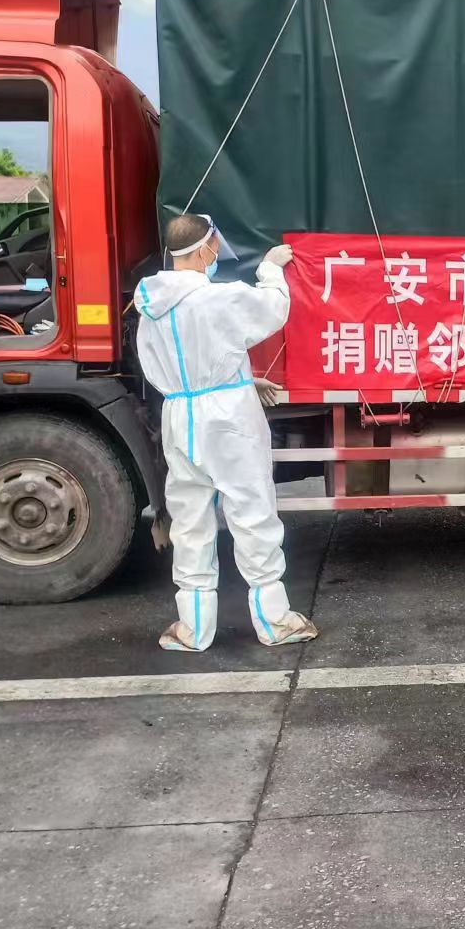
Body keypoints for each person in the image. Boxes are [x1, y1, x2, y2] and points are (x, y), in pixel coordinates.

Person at [134, 214, 317, 651]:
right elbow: (272, 309)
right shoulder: (219, 297)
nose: (218, 252)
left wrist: (241, 378)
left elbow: (186, 363)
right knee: (251, 511)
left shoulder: (151, 306)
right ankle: (274, 621)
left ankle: (193, 628)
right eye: (215, 245)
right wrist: (270, 268)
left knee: (190, 519)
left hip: (180, 414)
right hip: (228, 419)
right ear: (203, 249)